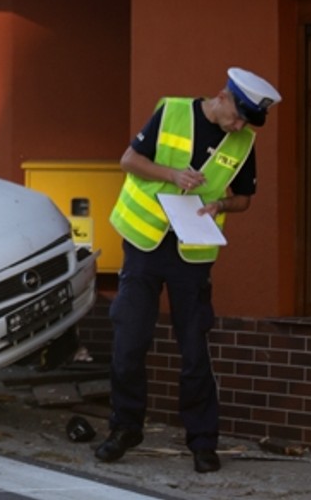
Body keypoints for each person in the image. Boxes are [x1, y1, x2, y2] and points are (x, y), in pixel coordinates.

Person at [96, 67, 281, 473]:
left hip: (192, 252)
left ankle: (202, 442)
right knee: (129, 343)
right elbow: (129, 160)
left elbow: (244, 199)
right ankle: (125, 428)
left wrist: (219, 206)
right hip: (144, 245)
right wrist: (171, 175)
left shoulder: (244, 142)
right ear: (222, 97)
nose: (239, 126)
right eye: (237, 116)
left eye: (247, 122)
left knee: (195, 350)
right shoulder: (173, 113)